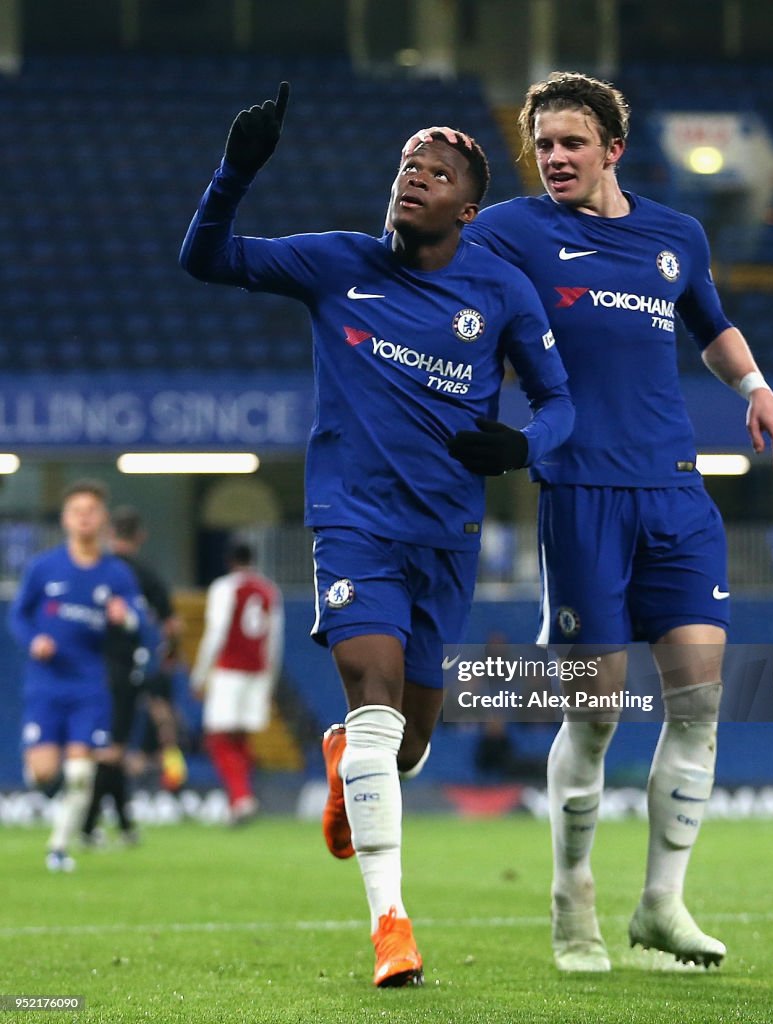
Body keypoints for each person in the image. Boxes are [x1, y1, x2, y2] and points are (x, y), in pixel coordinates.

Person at [399, 71, 773, 972]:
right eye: (542, 145)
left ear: (612, 149)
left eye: (571, 143)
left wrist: (757, 390)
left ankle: (661, 904)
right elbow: (445, 286)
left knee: (698, 703)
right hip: (579, 497)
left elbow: (712, 323)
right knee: (594, 716)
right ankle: (570, 903)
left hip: (674, 493)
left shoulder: (674, 235)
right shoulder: (510, 231)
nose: (554, 159)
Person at [180, 81, 574, 987]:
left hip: (447, 538)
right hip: (355, 526)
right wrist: (234, 172)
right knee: (376, 705)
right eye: (405, 167)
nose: (412, 180)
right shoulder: (335, 263)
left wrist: (522, 445)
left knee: (405, 746)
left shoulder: (501, 290)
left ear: (466, 208)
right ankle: (390, 926)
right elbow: (205, 258)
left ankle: (344, 761)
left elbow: (560, 403)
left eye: (434, 174)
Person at [7, 479, 145, 872]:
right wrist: (34, 640)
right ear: (66, 519)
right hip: (46, 683)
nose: (84, 518)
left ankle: (59, 846)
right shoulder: (43, 567)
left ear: (103, 520)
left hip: (89, 684)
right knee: (44, 772)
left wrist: (126, 616)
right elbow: (18, 615)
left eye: (92, 511)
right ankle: (48, 789)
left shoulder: (116, 573)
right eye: (76, 511)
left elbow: (139, 620)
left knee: (82, 767)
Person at [81, 505, 186, 847]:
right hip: (123, 668)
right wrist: (168, 653)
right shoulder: (145, 575)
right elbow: (172, 625)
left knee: (109, 749)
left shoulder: (99, 569)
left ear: (111, 534)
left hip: (84, 666)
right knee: (113, 748)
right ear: (140, 536)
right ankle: (90, 826)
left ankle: (115, 825)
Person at [190, 541, 284, 825]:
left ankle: (241, 796)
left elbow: (217, 631)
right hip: (258, 671)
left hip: (229, 670)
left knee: (218, 737)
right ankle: (241, 800)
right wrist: (270, 680)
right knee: (241, 737)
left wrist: (200, 675)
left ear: (229, 561)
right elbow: (274, 641)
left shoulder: (224, 588)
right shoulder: (269, 590)